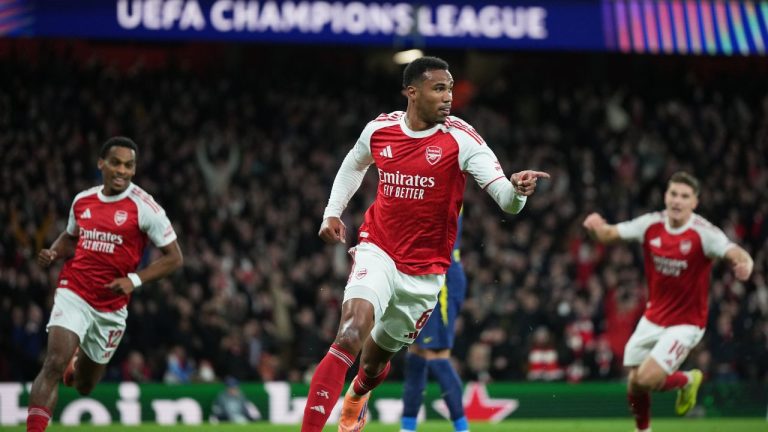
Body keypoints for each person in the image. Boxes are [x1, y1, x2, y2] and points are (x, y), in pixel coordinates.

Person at [301, 56, 549, 432]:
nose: (448, 97)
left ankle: (358, 393)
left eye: (449, 88)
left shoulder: (462, 139)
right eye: (439, 89)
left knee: (371, 365)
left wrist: (518, 190)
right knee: (350, 332)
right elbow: (355, 163)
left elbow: (506, 201)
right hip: (378, 249)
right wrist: (332, 212)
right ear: (412, 93)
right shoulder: (380, 131)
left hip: (426, 275)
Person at [27, 137, 183, 432]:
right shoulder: (83, 200)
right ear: (101, 164)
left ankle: (77, 364)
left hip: (110, 308)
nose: (122, 170)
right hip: (74, 290)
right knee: (53, 363)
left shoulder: (145, 206)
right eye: (116, 163)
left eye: (129, 165)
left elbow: (174, 258)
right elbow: (70, 237)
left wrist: (134, 280)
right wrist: (54, 251)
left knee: (84, 386)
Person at [582, 171, 753, 432]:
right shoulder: (651, 224)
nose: (677, 201)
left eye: (684, 196)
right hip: (654, 317)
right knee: (635, 384)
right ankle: (645, 429)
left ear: (694, 202)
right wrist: (596, 228)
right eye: (673, 194)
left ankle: (686, 379)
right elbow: (609, 235)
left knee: (647, 378)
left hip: (687, 323)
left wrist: (745, 263)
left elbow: (733, 251)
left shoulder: (703, 233)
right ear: (665, 196)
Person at [400, 210, 469, 432]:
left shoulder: (448, 184)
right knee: (416, 353)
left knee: (436, 354)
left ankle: (462, 428)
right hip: (419, 272)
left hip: (442, 278)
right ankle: (407, 427)